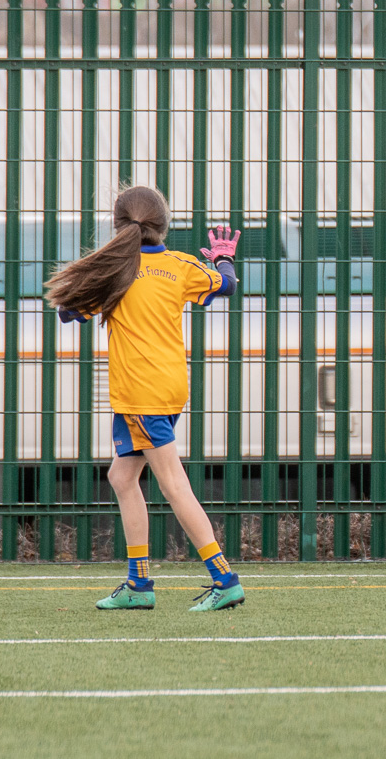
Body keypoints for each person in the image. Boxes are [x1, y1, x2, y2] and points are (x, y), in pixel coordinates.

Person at [45, 185, 246, 611]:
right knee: (121, 477)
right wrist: (223, 256)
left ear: (119, 227)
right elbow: (226, 284)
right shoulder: (181, 266)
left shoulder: (114, 274)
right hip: (169, 390)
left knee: (173, 485)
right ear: (163, 225)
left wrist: (95, 276)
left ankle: (224, 578)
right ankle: (138, 585)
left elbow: (66, 312)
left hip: (140, 396)